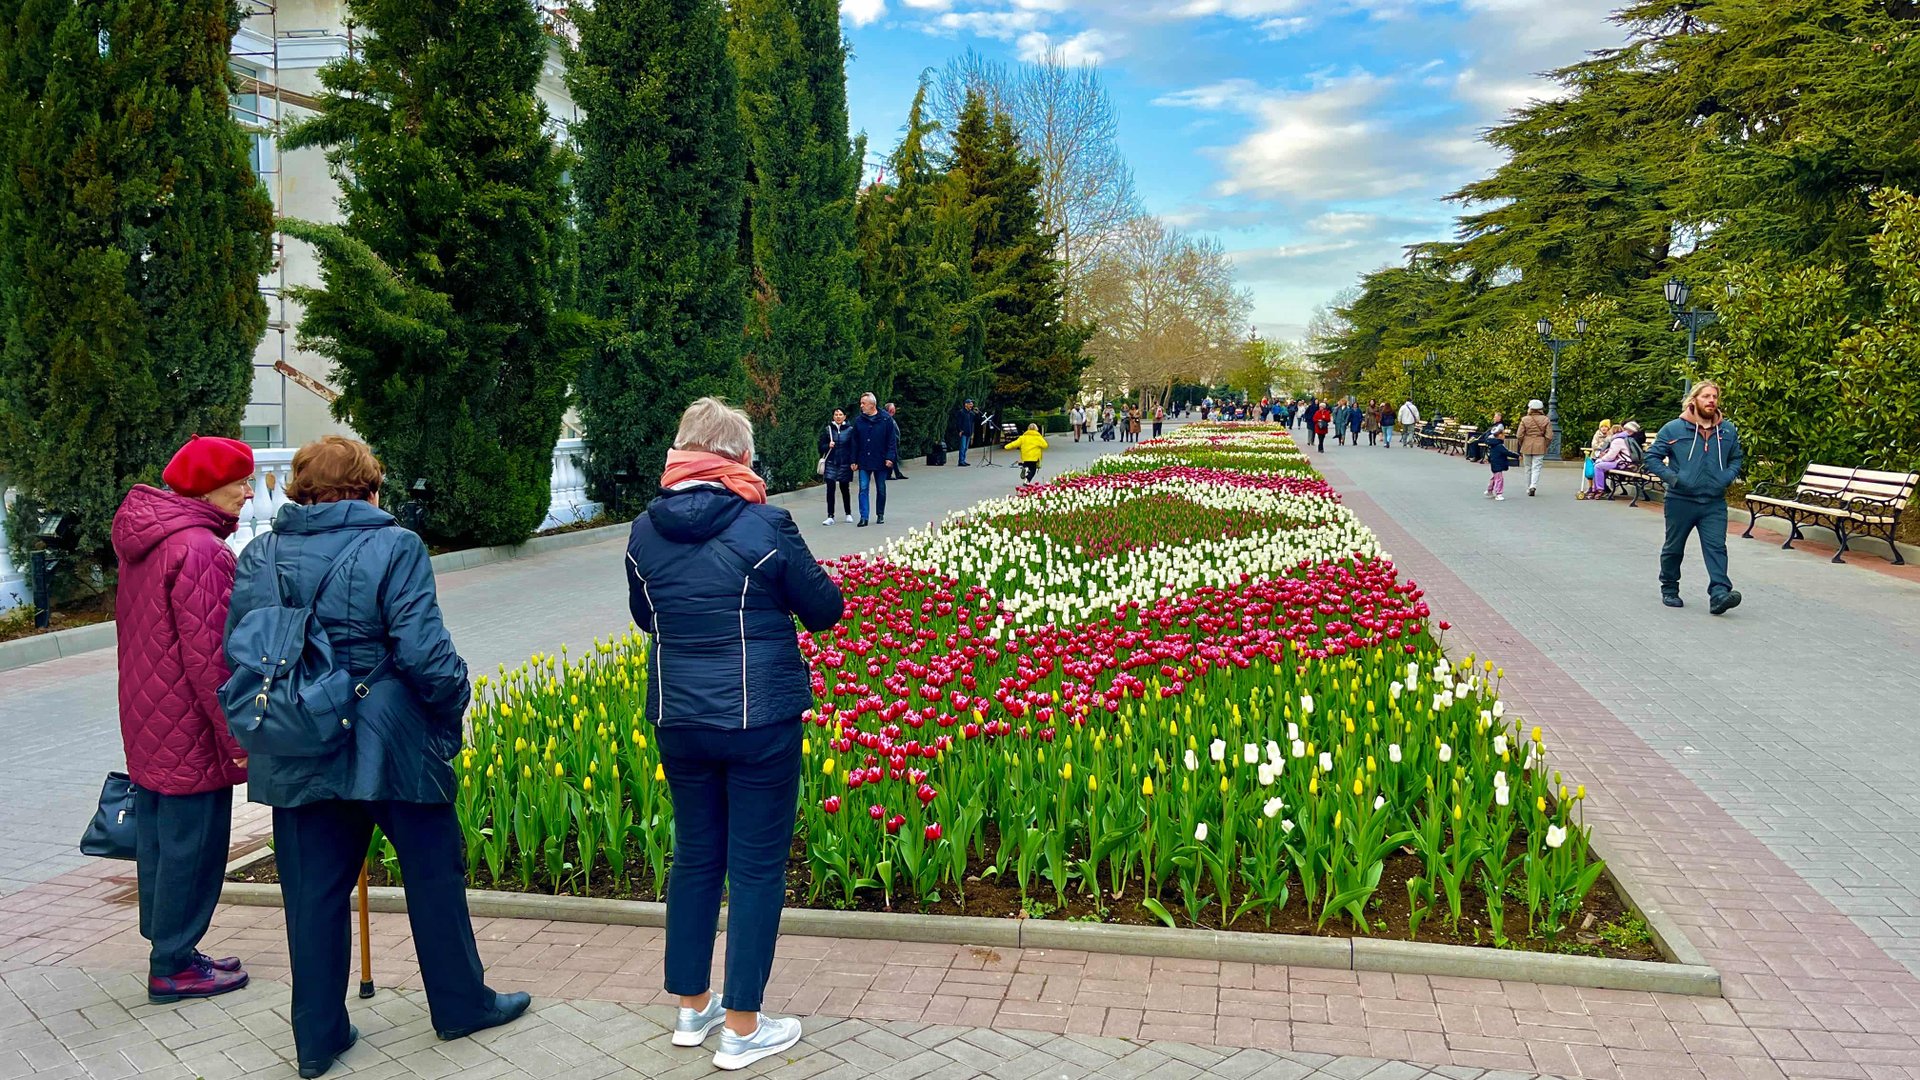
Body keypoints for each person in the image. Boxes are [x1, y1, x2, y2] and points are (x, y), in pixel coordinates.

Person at [228, 437, 527, 1078]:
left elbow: (245, 649)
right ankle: (461, 1005)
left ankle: (317, 1037)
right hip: (390, 737)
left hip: (297, 736)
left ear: (300, 489)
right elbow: (423, 652)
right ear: (368, 488)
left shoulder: (258, 553)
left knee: (312, 895)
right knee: (433, 876)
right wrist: (452, 702)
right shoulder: (395, 545)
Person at [623, 398, 843, 1072]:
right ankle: (744, 1027)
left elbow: (646, 616)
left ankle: (693, 1009)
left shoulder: (644, 531)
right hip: (758, 719)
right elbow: (825, 609)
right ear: (738, 457)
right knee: (754, 867)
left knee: (695, 858)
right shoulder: (765, 525)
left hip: (680, 718)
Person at [112, 436, 255, 1006]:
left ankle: (173, 950)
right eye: (240, 481)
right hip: (190, 723)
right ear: (208, 486)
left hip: (151, 713)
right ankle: (172, 967)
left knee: (162, 841)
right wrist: (237, 734)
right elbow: (212, 659)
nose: (249, 492)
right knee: (193, 847)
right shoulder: (200, 550)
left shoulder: (152, 539)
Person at [1645, 382, 1744, 614]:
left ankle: (1719, 594)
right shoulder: (1673, 429)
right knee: (1674, 547)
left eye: (1715, 397)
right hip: (1680, 500)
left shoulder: (1727, 430)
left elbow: (1736, 458)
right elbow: (1652, 458)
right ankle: (1669, 588)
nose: (1711, 401)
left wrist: (1725, 478)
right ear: (1693, 400)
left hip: (1714, 501)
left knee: (1716, 547)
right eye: (1706, 396)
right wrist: (1674, 479)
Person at [851, 393, 899, 526]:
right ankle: (864, 517)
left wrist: (890, 457)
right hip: (864, 459)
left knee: (881, 488)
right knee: (863, 488)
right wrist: (853, 460)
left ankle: (880, 514)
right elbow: (854, 442)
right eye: (861, 403)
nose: (861, 406)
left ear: (872, 405)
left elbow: (891, 440)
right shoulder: (859, 420)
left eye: (863, 403)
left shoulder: (886, 419)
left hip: (881, 459)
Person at [818, 407, 855, 525]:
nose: (838, 417)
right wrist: (828, 446)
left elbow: (853, 447)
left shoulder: (850, 430)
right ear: (833, 417)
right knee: (830, 489)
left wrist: (853, 461)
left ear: (845, 417)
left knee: (845, 489)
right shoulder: (827, 430)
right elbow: (820, 447)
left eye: (840, 414)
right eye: (836, 414)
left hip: (845, 463)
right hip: (831, 463)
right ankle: (830, 516)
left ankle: (848, 513)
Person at [1587, 421, 1638, 500]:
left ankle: (1600, 490)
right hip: (1624, 462)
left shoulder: (1617, 441)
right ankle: (1596, 489)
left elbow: (1611, 456)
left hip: (1622, 463)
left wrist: (1601, 459)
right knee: (1598, 465)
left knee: (1598, 466)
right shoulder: (1624, 438)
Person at [1516, 400, 1552, 496]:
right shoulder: (1546, 420)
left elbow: (1519, 435)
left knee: (1527, 467)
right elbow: (1549, 436)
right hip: (1540, 444)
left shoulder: (1525, 419)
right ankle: (1533, 485)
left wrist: (1522, 443)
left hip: (1527, 444)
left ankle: (1528, 487)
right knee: (1536, 467)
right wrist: (1545, 444)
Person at [1483, 429, 1517, 500]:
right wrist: (1517, 456)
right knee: (1499, 479)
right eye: (1504, 435)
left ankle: (1489, 490)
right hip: (1499, 463)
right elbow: (1507, 452)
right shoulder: (1499, 445)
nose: (1504, 436)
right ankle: (1499, 493)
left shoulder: (1492, 444)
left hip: (1494, 462)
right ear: (1500, 435)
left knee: (1494, 478)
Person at [883, 403, 908, 479]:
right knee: (892, 457)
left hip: (894, 441)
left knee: (894, 458)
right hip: (890, 442)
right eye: (892, 409)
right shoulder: (886, 419)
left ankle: (896, 474)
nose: (893, 411)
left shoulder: (890, 418)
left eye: (894, 409)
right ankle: (890, 474)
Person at [951, 399, 979, 467]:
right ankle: (961, 461)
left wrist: (977, 414)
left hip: (969, 432)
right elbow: (958, 422)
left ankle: (963, 460)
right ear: (966, 404)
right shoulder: (961, 412)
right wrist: (960, 430)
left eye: (972, 404)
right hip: (963, 432)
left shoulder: (971, 413)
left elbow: (976, 420)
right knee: (962, 447)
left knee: (966, 448)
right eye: (970, 404)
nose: (971, 405)